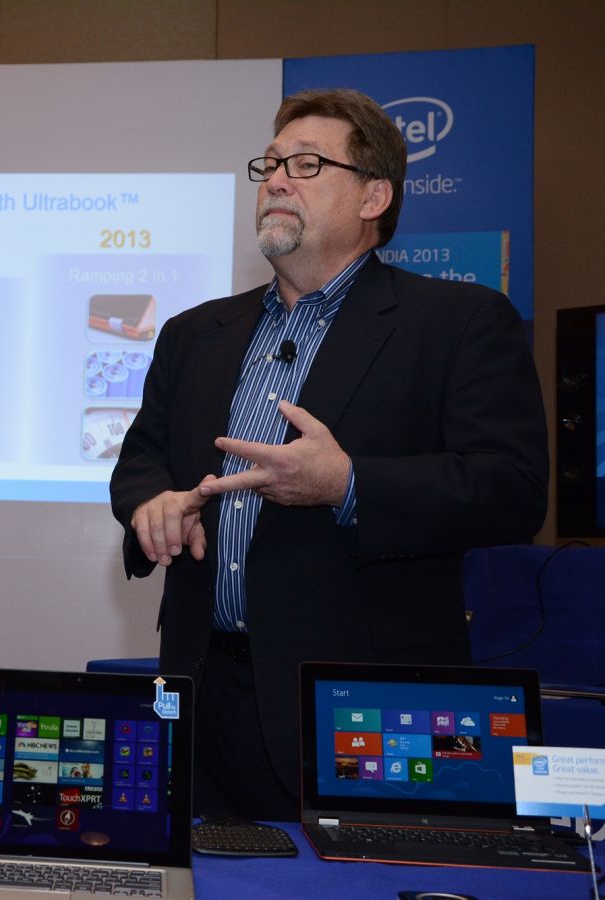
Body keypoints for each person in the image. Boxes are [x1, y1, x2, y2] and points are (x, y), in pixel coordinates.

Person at [109, 88, 547, 822]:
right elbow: (142, 459)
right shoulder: (194, 333)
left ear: (375, 196)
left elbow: (512, 489)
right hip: (203, 696)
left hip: (365, 708)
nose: (277, 181)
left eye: (307, 164)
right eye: (270, 164)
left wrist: (347, 483)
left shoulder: (458, 323)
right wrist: (151, 503)